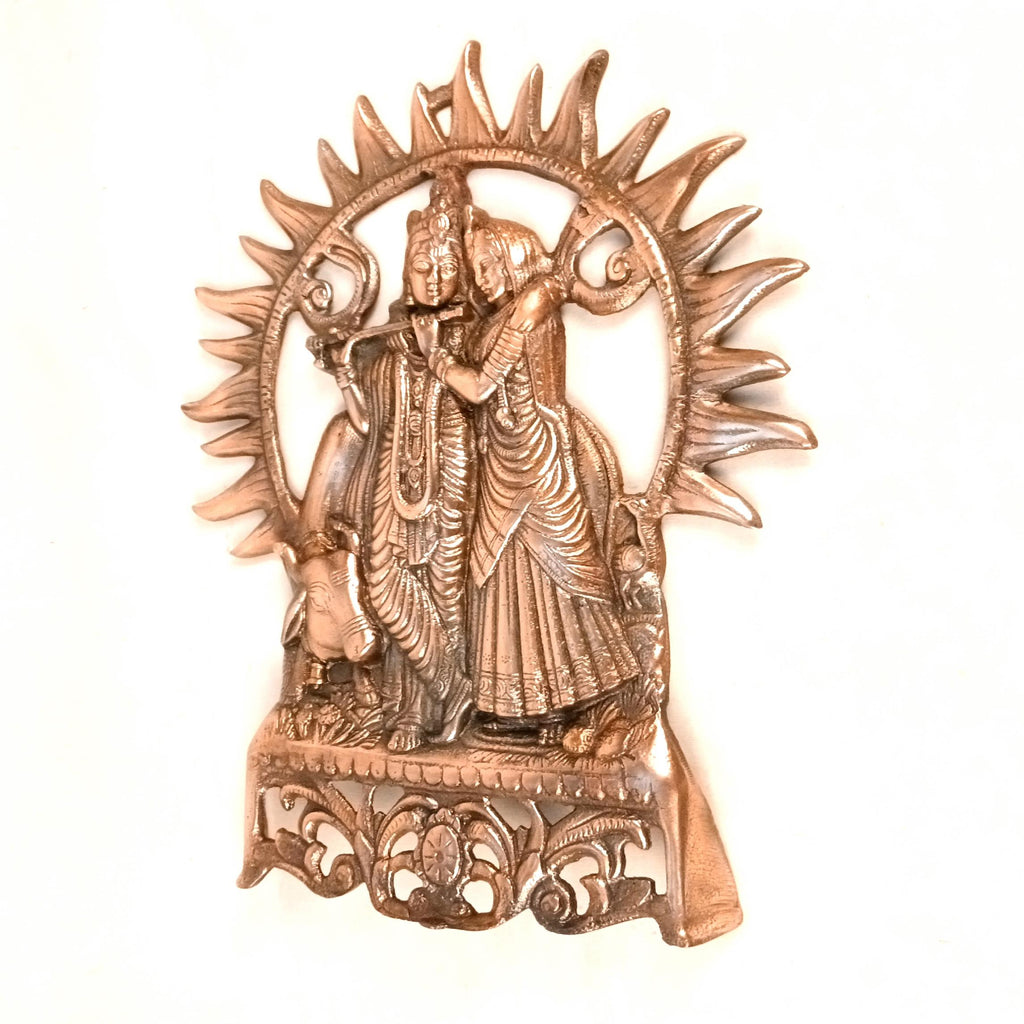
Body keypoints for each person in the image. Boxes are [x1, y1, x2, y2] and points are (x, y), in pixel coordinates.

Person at [414, 210, 638, 740]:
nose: (482, 277)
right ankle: (519, 705)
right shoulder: (506, 315)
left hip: (536, 463)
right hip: (501, 463)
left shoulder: (533, 305)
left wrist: (435, 357)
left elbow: (480, 388)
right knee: (498, 574)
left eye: (490, 264)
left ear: (515, 260)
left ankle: (578, 695)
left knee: (547, 572)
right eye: (476, 268)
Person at [298, 171, 476, 751]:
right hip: (389, 476)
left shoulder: (470, 337)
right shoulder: (389, 345)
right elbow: (366, 423)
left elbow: (481, 400)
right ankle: (450, 688)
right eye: (423, 266)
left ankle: (422, 715)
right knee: (385, 587)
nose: (435, 277)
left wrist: (439, 355)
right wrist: (345, 374)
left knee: (444, 595)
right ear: (406, 270)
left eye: (446, 266)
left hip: (449, 475)